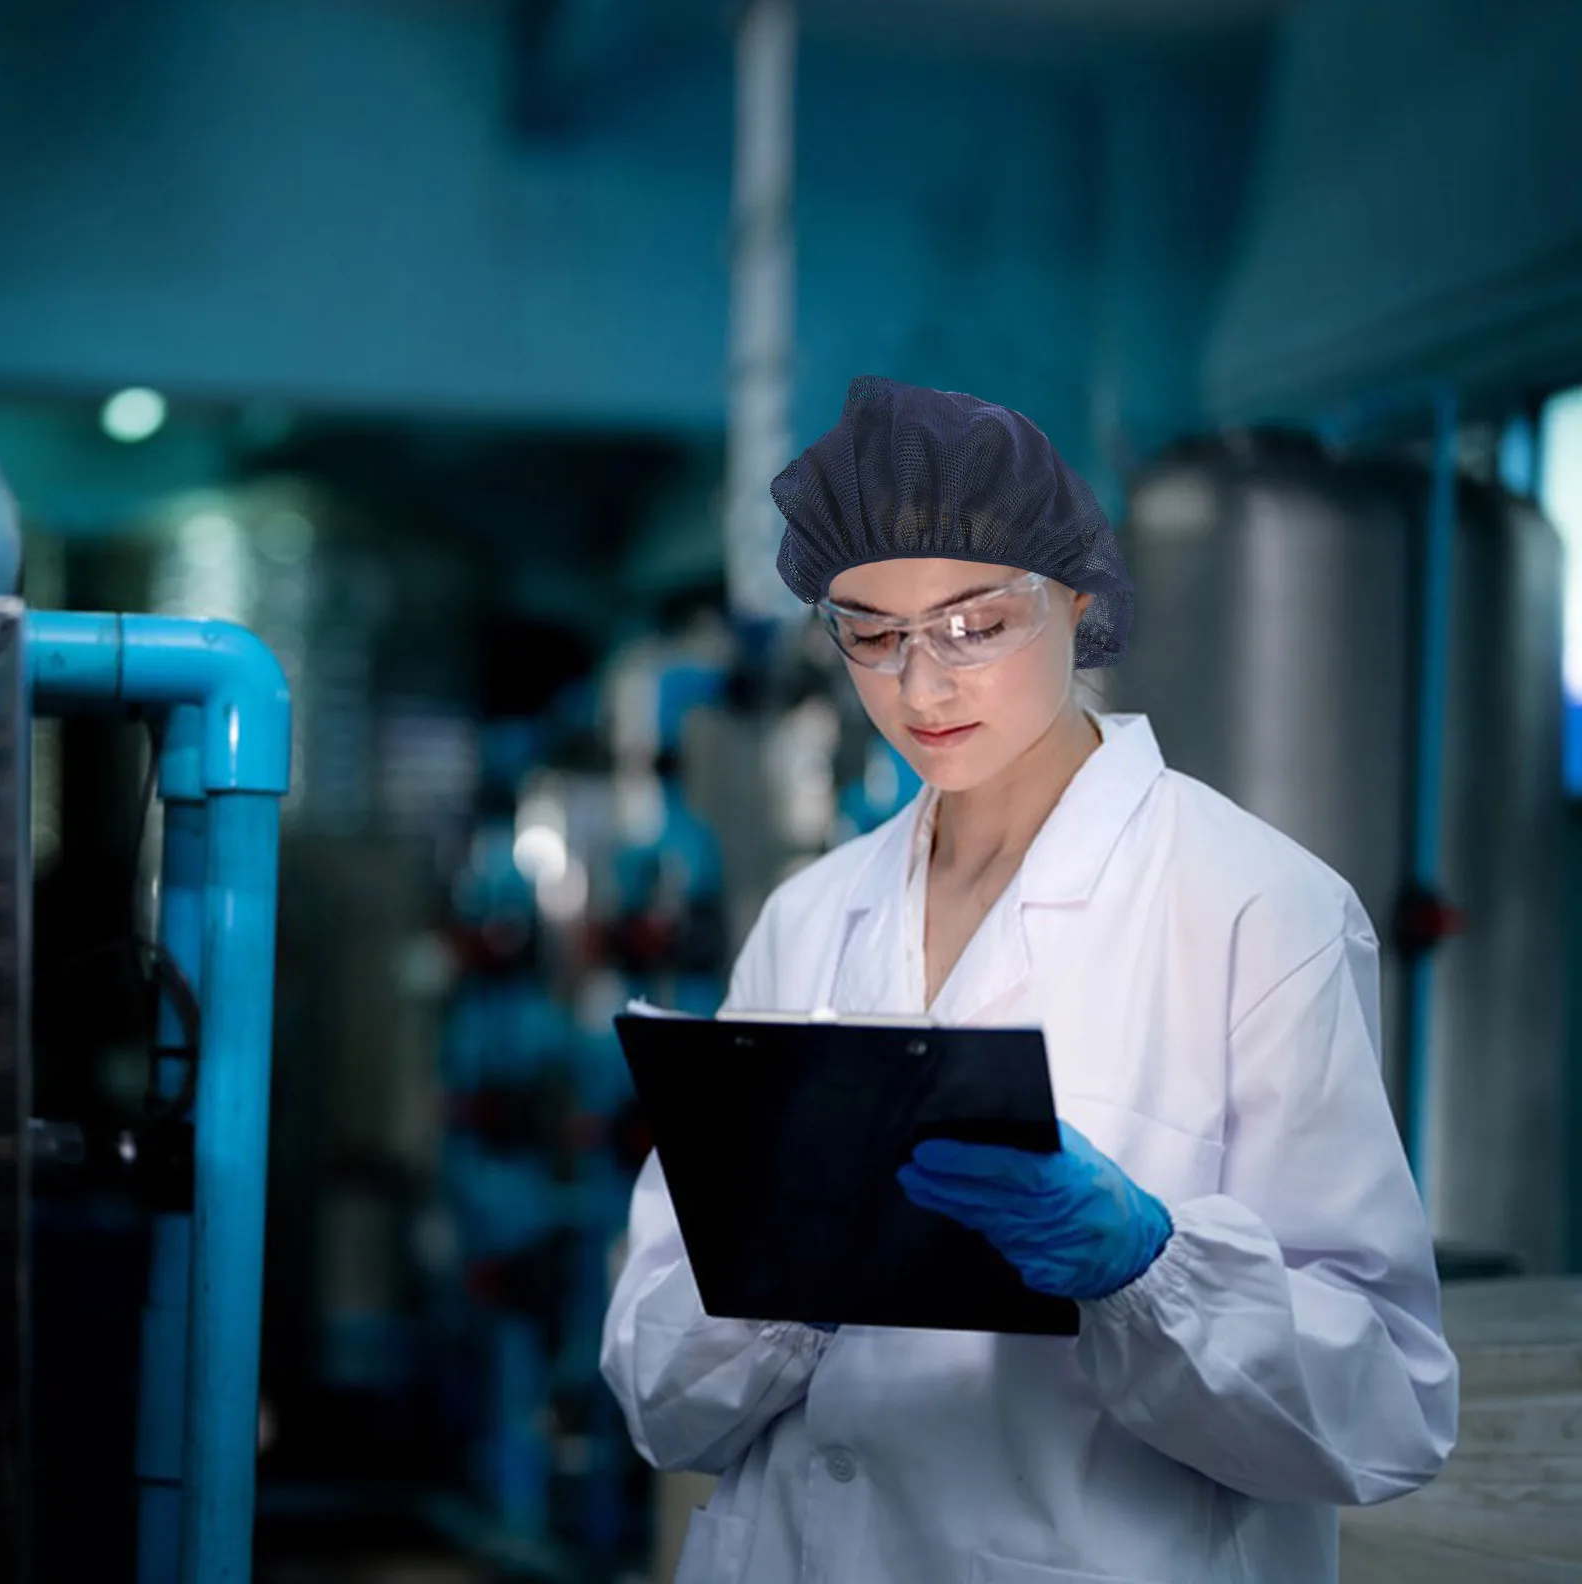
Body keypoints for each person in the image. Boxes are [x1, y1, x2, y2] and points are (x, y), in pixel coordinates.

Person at [600, 378, 1458, 1584]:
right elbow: (655, 1394)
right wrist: (786, 1285)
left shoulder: (1253, 909)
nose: (921, 685)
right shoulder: (809, 919)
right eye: (872, 631)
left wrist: (1149, 1272)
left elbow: (1387, 1409)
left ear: (1079, 597)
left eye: (973, 623)